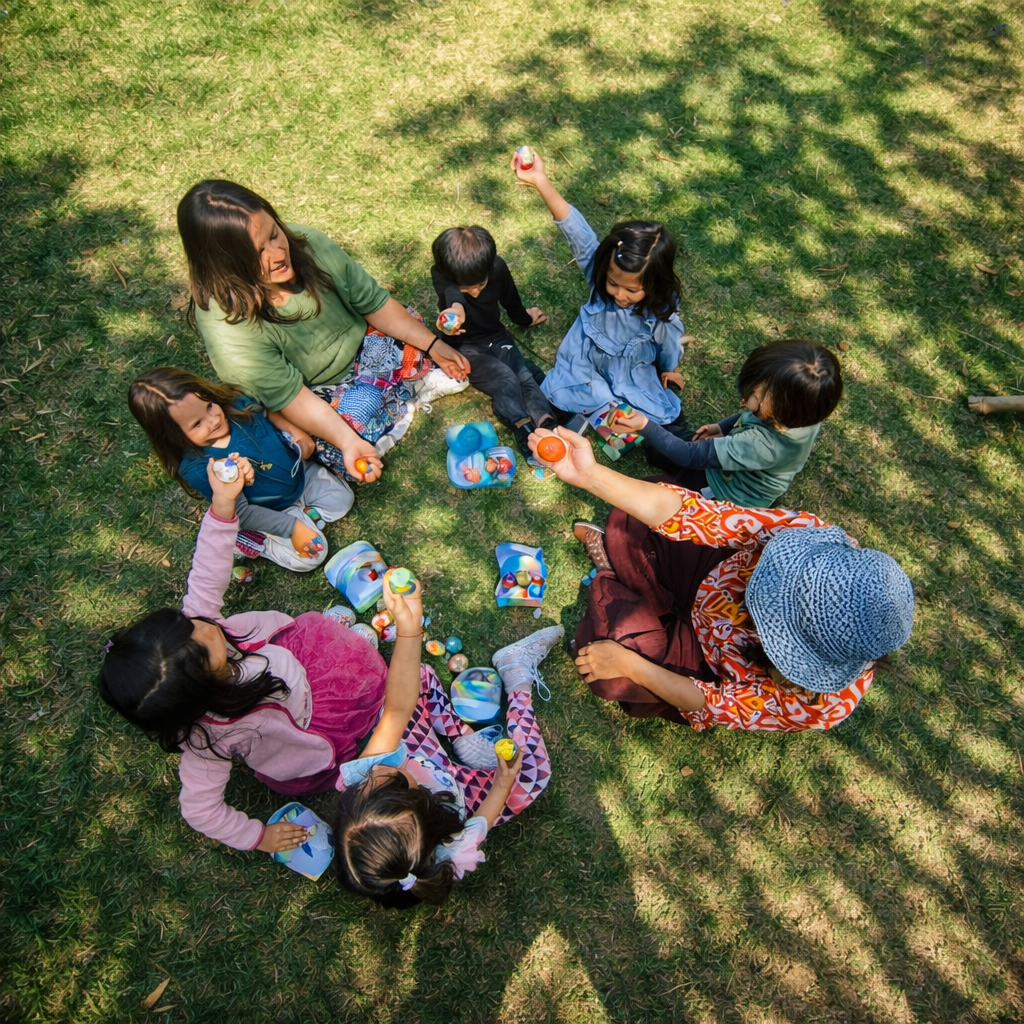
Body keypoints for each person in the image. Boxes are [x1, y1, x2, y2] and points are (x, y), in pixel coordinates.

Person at [529, 426, 914, 731]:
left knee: (611, 676)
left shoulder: (820, 705)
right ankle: (635, 592)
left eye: (773, 623)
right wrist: (590, 474)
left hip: (708, 662)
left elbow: (714, 702)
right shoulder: (810, 539)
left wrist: (632, 666)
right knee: (629, 516)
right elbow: (694, 515)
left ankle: (626, 584)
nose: (754, 607)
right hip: (706, 579)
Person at [98, 461, 390, 853]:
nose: (205, 627)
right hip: (309, 723)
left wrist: (223, 503)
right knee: (357, 678)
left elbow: (208, 565)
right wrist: (258, 837)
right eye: (205, 647)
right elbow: (200, 810)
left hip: (294, 655)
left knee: (334, 645)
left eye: (188, 626)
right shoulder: (209, 740)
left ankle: (345, 649)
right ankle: (352, 667)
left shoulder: (199, 624)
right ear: (199, 692)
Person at [176, 180, 471, 484]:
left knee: (408, 323)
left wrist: (433, 344)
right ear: (225, 268)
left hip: (368, 344)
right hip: (317, 392)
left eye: (275, 234)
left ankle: (396, 398)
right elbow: (290, 397)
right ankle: (401, 393)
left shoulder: (309, 243)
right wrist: (346, 441)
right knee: (340, 432)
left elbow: (373, 303)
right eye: (257, 253)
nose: (277, 253)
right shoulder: (228, 325)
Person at [334, 625, 561, 909]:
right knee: (534, 772)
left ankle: (460, 736)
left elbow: (396, 710)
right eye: (390, 779)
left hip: (420, 751)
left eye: (367, 782)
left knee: (417, 678)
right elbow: (482, 819)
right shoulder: (449, 843)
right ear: (426, 804)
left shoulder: (361, 780)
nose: (376, 767)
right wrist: (503, 781)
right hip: (462, 792)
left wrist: (408, 624)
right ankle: (517, 678)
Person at [511, 150, 687, 430]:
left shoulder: (659, 309)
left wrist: (669, 368)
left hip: (631, 372)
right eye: (613, 283)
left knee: (663, 418)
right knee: (563, 394)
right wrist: (539, 180)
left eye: (632, 290)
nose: (619, 294)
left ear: (653, 286)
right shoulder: (599, 272)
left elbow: (669, 341)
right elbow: (577, 233)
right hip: (586, 363)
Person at [129, 367, 353, 571]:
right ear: (174, 437)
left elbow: (268, 414)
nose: (213, 419)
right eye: (197, 424)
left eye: (208, 406)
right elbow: (243, 512)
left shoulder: (235, 404)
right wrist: (290, 527)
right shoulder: (201, 468)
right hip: (269, 511)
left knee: (343, 499)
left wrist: (296, 433)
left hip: (300, 477)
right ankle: (258, 540)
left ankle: (307, 516)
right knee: (313, 555)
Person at [615, 340, 843, 507]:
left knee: (658, 496)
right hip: (736, 466)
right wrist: (722, 427)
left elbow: (689, 455)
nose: (743, 402)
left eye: (754, 399)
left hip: (727, 495)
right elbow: (750, 418)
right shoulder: (806, 413)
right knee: (662, 443)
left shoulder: (760, 445)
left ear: (785, 411)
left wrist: (645, 425)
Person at [431, 225, 556, 454]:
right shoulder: (443, 276)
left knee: (524, 375)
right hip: (463, 347)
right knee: (504, 378)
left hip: (496, 336)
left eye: (480, 284)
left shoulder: (497, 267)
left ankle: (547, 424)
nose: (476, 292)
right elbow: (453, 298)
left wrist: (526, 319)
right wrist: (454, 315)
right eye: (468, 288)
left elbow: (511, 300)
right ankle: (522, 426)